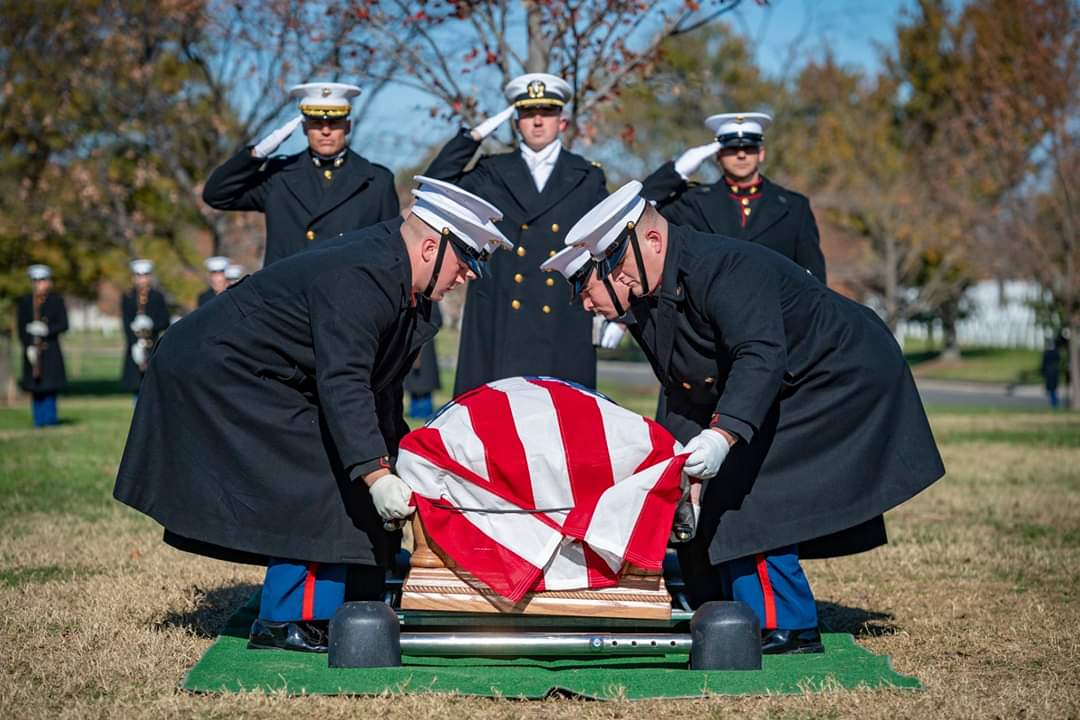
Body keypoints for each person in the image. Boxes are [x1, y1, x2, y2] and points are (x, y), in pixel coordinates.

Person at [113, 177, 512, 653]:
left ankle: (363, 588)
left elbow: (378, 390)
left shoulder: (406, 287)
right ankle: (289, 619)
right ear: (431, 247)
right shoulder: (364, 275)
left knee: (358, 461)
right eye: (466, 262)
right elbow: (343, 382)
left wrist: (395, 457)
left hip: (268, 372)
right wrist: (374, 473)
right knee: (318, 473)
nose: (468, 275)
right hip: (219, 369)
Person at [545, 182, 945, 654]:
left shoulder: (723, 267)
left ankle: (788, 625)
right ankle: (718, 609)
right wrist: (678, 467)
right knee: (710, 494)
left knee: (750, 492)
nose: (616, 277)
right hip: (789, 377)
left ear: (652, 241)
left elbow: (759, 355)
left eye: (616, 263)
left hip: (842, 374)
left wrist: (724, 434)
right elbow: (686, 387)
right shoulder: (651, 296)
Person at [424, 72, 608, 397]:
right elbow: (435, 185)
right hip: (499, 317)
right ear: (515, 121)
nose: (537, 122)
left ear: (562, 121)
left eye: (547, 113)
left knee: (562, 429)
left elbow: (606, 246)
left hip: (561, 320)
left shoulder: (588, 176)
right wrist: (475, 135)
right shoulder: (490, 171)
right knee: (493, 431)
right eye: (527, 113)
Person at [202, 82, 399, 267]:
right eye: (316, 122)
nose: (325, 131)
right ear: (304, 127)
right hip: (285, 299)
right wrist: (257, 153)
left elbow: (390, 252)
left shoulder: (376, 181)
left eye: (334, 122)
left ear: (348, 126)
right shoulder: (279, 175)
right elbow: (217, 195)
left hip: (347, 298)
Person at [641, 112, 826, 283]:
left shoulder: (794, 207)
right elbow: (638, 210)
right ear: (718, 155)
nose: (741, 154)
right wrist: (676, 173)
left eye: (749, 147)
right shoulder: (692, 202)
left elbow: (814, 279)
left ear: (761, 153)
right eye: (732, 148)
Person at [17, 264, 68, 427]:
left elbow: (63, 324)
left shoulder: (56, 301)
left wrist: (47, 329)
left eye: (42, 280)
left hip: (50, 351)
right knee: (36, 388)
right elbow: (21, 327)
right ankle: (38, 420)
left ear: (48, 282)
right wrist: (28, 346)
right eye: (36, 281)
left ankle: (50, 419)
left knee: (50, 388)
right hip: (33, 350)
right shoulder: (25, 302)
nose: (39, 284)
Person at [121, 259, 170, 396]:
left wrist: (152, 325)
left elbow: (165, 321)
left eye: (145, 276)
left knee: (154, 388)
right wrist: (134, 344)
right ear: (134, 277)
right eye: (139, 276)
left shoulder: (157, 296)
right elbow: (125, 323)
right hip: (134, 345)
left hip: (153, 345)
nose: (142, 280)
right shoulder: (128, 297)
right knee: (137, 388)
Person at [404, 302, 442, 420]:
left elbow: (437, 320)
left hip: (425, 344)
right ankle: (415, 412)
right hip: (410, 341)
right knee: (413, 385)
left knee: (425, 384)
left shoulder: (430, 300)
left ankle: (425, 412)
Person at [1042, 338, 1062, 408]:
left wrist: (1043, 372)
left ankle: (1054, 404)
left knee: (1051, 390)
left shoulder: (1046, 353)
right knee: (1053, 389)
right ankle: (1055, 403)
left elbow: (1043, 364)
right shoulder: (1056, 352)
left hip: (1049, 372)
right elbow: (1059, 360)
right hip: (1054, 372)